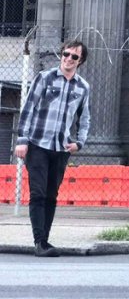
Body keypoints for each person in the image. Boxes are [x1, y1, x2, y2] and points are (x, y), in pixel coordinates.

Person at [15, 39, 91, 257]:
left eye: (74, 56)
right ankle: (39, 242)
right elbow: (28, 108)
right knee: (38, 193)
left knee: (51, 195)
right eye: (66, 54)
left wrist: (79, 142)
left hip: (61, 148)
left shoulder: (82, 87)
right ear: (61, 55)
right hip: (37, 144)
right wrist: (22, 140)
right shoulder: (45, 78)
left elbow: (85, 118)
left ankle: (45, 241)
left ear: (80, 61)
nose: (68, 59)